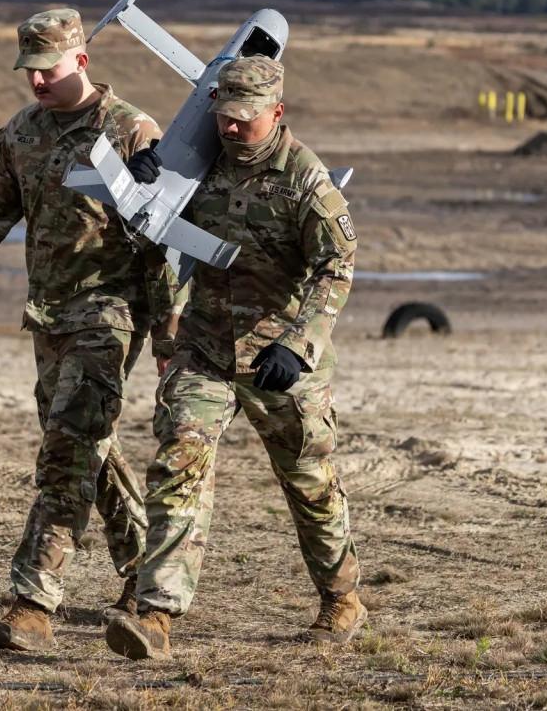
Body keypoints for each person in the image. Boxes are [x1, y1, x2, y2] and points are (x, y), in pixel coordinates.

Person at [0, 8, 177, 652]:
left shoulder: (131, 131)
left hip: (110, 314)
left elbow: (165, 240)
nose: (35, 81)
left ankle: (32, 602)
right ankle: (145, 570)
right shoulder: (22, 133)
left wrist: (171, 334)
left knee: (66, 451)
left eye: (47, 69)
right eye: (27, 71)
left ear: (81, 62)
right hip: (49, 315)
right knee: (92, 445)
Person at [103, 56, 364, 660]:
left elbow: (336, 268)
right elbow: (148, 238)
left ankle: (341, 596)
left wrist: (299, 345)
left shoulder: (305, 179)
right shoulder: (197, 165)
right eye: (224, 116)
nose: (232, 128)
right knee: (178, 466)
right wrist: (146, 183)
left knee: (310, 483)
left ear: (278, 112)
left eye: (246, 118)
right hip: (207, 350)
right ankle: (157, 612)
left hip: (282, 361)